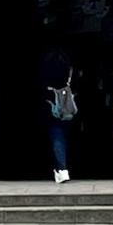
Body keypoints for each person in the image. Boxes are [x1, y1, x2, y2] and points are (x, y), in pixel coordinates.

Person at [40, 48, 73, 183]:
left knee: (57, 136)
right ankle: (62, 167)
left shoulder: (47, 70)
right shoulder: (67, 69)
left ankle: (62, 168)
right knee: (63, 136)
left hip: (51, 105)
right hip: (67, 105)